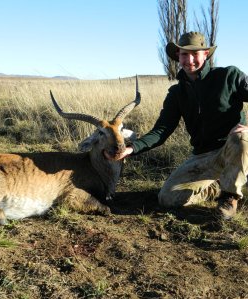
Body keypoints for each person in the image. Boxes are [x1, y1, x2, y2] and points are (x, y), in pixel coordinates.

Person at [106, 31, 248, 220]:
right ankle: (217, 186)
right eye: (184, 54)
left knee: (241, 138)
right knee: (167, 199)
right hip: (203, 156)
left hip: (234, 149)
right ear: (178, 57)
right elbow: (161, 130)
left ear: (205, 54)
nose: (189, 60)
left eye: (195, 53)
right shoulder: (176, 93)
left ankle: (229, 198)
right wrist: (132, 148)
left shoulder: (229, 76)